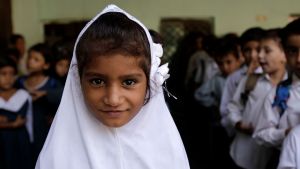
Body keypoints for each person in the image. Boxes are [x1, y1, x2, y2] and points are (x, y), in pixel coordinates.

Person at [35, 4, 190, 169]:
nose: (113, 99)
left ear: (149, 82)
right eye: (97, 81)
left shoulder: (168, 155)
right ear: (78, 82)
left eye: (128, 82)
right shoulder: (56, 159)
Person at [227, 28, 287, 169]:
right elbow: (233, 107)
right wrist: (238, 123)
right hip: (243, 155)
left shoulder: (292, 87)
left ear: (284, 54)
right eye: (259, 50)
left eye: (266, 51)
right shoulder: (251, 80)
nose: (259, 56)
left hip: (275, 159)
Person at [253, 18, 300, 169]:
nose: (299, 59)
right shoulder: (280, 93)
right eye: (293, 51)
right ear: (285, 52)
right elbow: (260, 134)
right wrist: (286, 133)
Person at [15, 43, 63, 162]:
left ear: (46, 65)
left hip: (43, 130)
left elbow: (62, 105)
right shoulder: (19, 82)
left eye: (36, 59)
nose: (30, 62)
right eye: (29, 58)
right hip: (23, 129)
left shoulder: (52, 84)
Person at [220, 27, 264, 137]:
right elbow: (225, 109)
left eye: (258, 49)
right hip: (238, 135)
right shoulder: (234, 78)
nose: (253, 55)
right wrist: (237, 124)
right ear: (242, 52)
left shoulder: (273, 75)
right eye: (247, 50)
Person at [0, 56, 33, 169]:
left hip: (20, 142)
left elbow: (29, 122)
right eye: (3, 74)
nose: (8, 78)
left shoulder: (23, 95)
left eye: (12, 74)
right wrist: (11, 124)